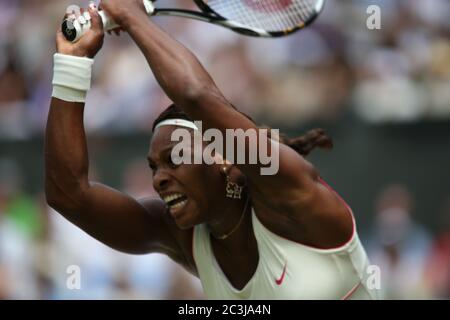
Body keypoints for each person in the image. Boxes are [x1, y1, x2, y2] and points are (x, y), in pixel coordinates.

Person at [45, 0, 378, 299]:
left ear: (227, 158)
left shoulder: (290, 191)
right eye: (154, 167)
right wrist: (72, 65)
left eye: (175, 158)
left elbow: (195, 95)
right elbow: (68, 195)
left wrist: (130, 15)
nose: (159, 179)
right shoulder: (181, 234)